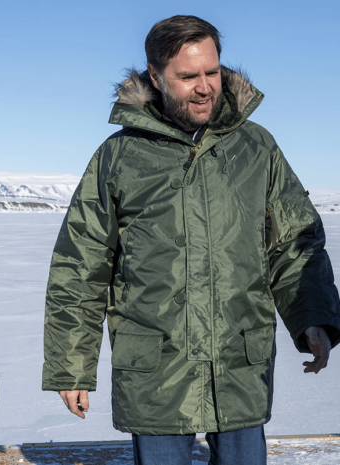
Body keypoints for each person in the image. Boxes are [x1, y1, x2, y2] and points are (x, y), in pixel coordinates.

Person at [42, 15, 340, 464]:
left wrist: (313, 316)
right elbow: (80, 267)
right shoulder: (118, 156)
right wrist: (71, 365)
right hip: (155, 368)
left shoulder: (256, 148)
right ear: (156, 76)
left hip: (240, 362)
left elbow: (295, 245)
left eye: (212, 72)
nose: (204, 87)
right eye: (187, 77)